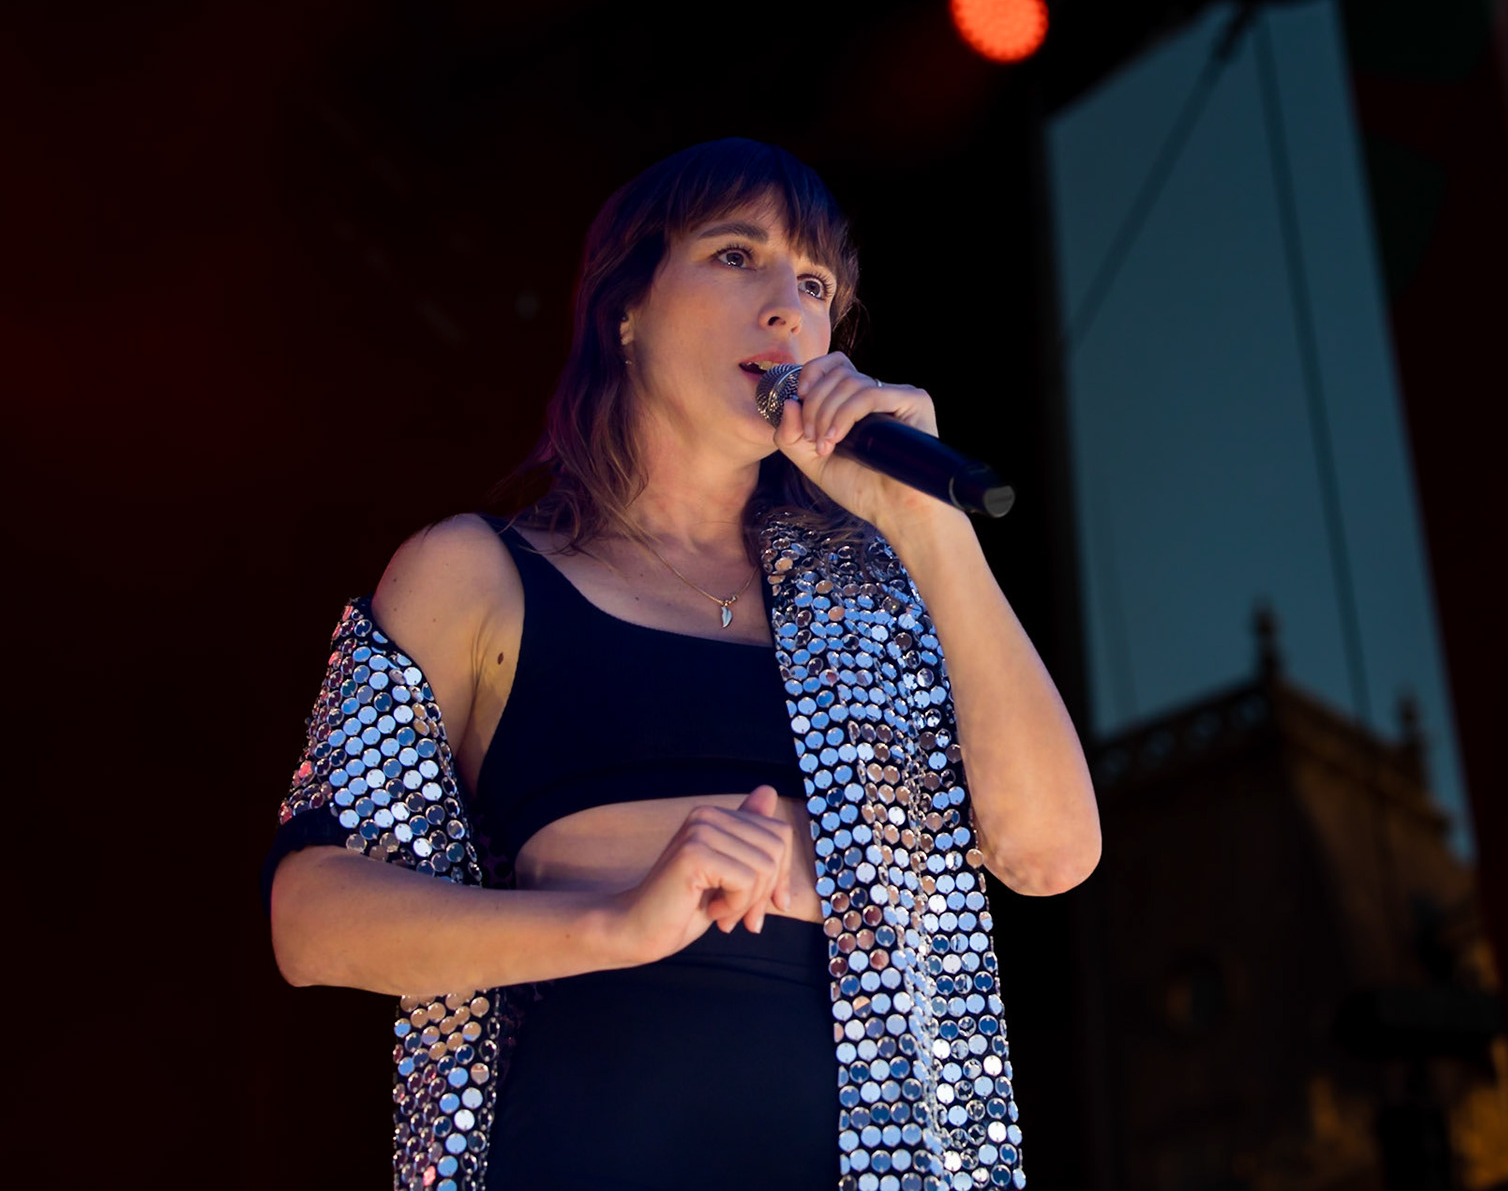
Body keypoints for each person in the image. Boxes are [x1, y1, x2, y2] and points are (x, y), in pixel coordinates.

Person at [265, 137, 1101, 1191]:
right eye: (736, 254)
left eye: (813, 283)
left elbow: (1051, 853)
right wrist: (620, 918)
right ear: (626, 308)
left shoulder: (876, 596)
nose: (786, 307)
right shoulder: (476, 574)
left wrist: (930, 533)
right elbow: (312, 920)